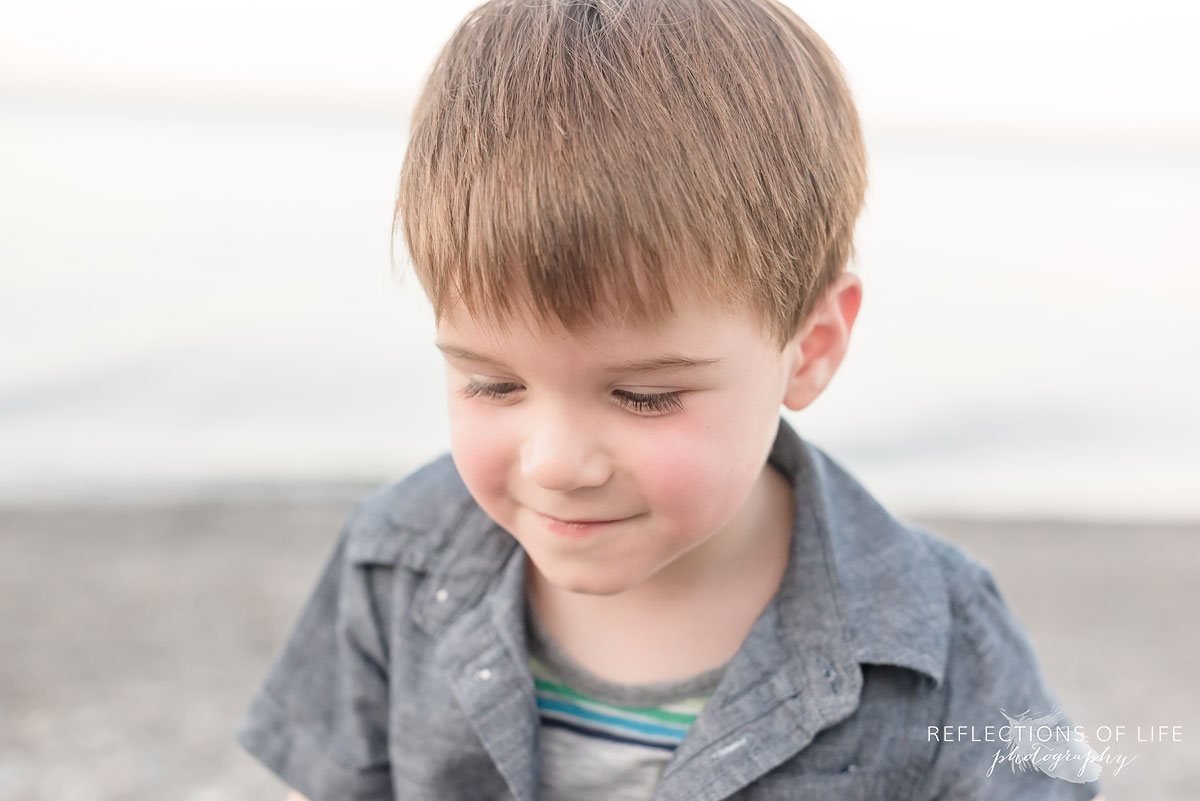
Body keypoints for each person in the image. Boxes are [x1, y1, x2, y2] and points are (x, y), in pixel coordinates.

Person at [235, 1, 1106, 799]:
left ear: (811, 348)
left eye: (644, 395)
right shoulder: (396, 564)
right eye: (491, 382)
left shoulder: (935, 641)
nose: (556, 462)